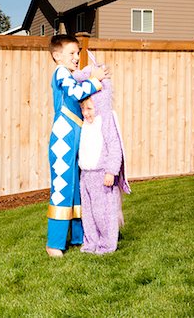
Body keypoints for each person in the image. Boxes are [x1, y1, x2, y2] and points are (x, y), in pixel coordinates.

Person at [46, 35, 108, 258]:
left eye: (77, 52)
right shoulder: (61, 72)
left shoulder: (69, 74)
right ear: (57, 56)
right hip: (63, 140)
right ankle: (54, 242)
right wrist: (95, 79)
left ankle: (79, 237)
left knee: (76, 190)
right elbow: (74, 93)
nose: (76, 57)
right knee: (63, 188)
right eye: (71, 53)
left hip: (74, 137)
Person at [75, 58, 131, 255]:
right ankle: (91, 242)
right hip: (86, 176)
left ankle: (107, 244)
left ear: (98, 105)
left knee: (103, 212)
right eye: (83, 109)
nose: (86, 113)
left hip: (102, 175)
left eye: (89, 108)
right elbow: (75, 77)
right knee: (88, 214)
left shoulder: (105, 121)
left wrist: (111, 171)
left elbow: (115, 147)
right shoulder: (86, 125)